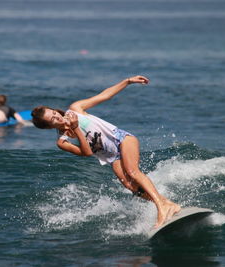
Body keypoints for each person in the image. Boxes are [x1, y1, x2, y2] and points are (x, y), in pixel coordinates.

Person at [31, 75, 181, 228]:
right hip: (111, 157)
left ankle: (161, 208)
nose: (58, 117)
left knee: (132, 172)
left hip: (121, 139)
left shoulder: (76, 109)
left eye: (54, 113)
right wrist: (75, 128)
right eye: (53, 120)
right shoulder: (62, 141)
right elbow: (87, 152)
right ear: (49, 127)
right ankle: (167, 203)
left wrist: (127, 81)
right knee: (130, 186)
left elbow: (105, 95)